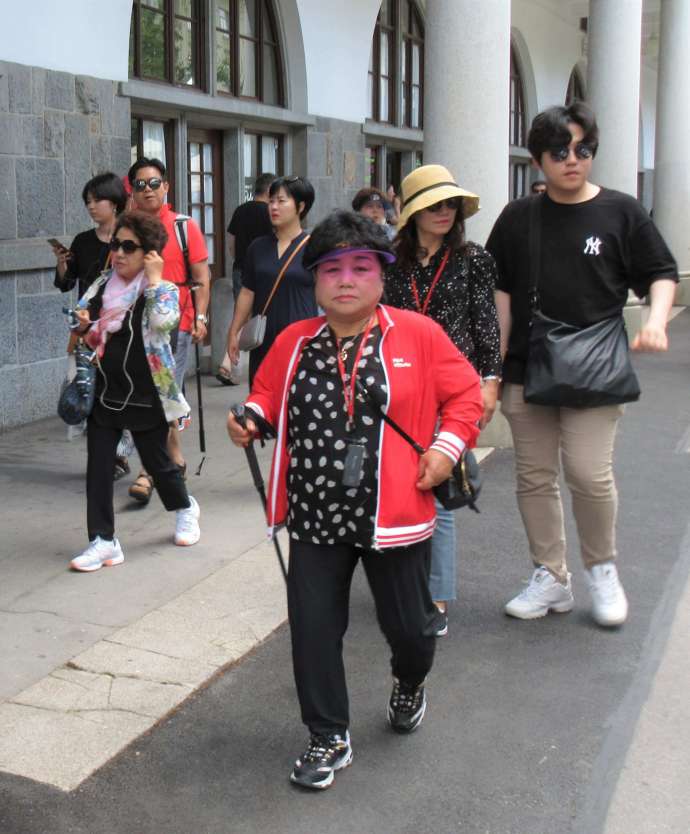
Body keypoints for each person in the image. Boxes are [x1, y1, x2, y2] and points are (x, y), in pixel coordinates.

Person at [227, 211, 483, 790]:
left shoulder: (417, 334)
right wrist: (248, 420)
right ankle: (327, 735)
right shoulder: (295, 341)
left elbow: (466, 395)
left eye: (360, 267)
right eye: (332, 269)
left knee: (413, 631)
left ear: (381, 274)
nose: (346, 280)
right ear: (316, 279)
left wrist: (444, 449)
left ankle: (410, 683)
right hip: (315, 516)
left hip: (395, 514)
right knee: (313, 629)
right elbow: (265, 397)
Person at [486, 102, 677, 627]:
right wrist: (494, 368)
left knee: (590, 476)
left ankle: (602, 568)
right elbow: (500, 295)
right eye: (560, 152)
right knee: (534, 477)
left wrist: (656, 320)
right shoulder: (518, 218)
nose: (573, 160)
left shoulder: (620, 212)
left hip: (595, 368)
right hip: (527, 366)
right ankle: (551, 576)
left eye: (583, 150)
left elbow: (661, 272)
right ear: (537, 160)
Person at [385, 164, 501, 637]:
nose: (444, 212)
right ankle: (399, 582)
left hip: (454, 389)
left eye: (450, 204)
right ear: (412, 212)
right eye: (433, 204)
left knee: (442, 487)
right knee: (398, 484)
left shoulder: (474, 259)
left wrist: (489, 381)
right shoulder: (389, 261)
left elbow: (486, 325)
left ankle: (436, 595)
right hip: (398, 385)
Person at [68, 211, 201, 572]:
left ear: (149, 253)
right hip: (105, 391)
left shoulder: (163, 290)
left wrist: (156, 280)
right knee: (98, 465)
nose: (120, 253)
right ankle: (103, 541)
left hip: (147, 393)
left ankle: (185, 507)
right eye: (116, 245)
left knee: (159, 464)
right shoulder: (101, 284)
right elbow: (78, 318)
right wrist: (81, 325)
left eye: (130, 246)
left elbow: (164, 322)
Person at [127, 157, 210, 503]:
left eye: (154, 182)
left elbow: (202, 278)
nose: (148, 190)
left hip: (176, 324)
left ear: (166, 186)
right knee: (155, 396)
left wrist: (202, 318)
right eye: (141, 184)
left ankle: (149, 470)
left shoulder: (183, 226)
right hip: (135, 327)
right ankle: (174, 457)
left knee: (163, 394)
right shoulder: (127, 230)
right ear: (132, 191)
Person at [226, 175, 317, 387]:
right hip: (263, 341)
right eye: (271, 200)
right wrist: (234, 331)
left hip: (300, 341)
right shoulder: (258, 247)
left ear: (301, 206)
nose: (273, 207)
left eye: (281, 201)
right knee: (261, 405)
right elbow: (248, 292)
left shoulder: (313, 248)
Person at [216, 172, 275, 385]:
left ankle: (228, 363)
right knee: (261, 317)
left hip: (240, 268)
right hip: (265, 273)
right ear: (269, 191)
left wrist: (239, 258)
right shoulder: (272, 213)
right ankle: (235, 364)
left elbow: (231, 242)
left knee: (240, 315)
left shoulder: (241, 210)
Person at [53, 172, 128, 298]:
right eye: (88, 202)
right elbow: (66, 284)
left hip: (121, 314)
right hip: (86, 315)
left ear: (115, 202)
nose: (91, 206)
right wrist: (62, 262)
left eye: (97, 200)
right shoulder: (82, 241)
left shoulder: (130, 239)